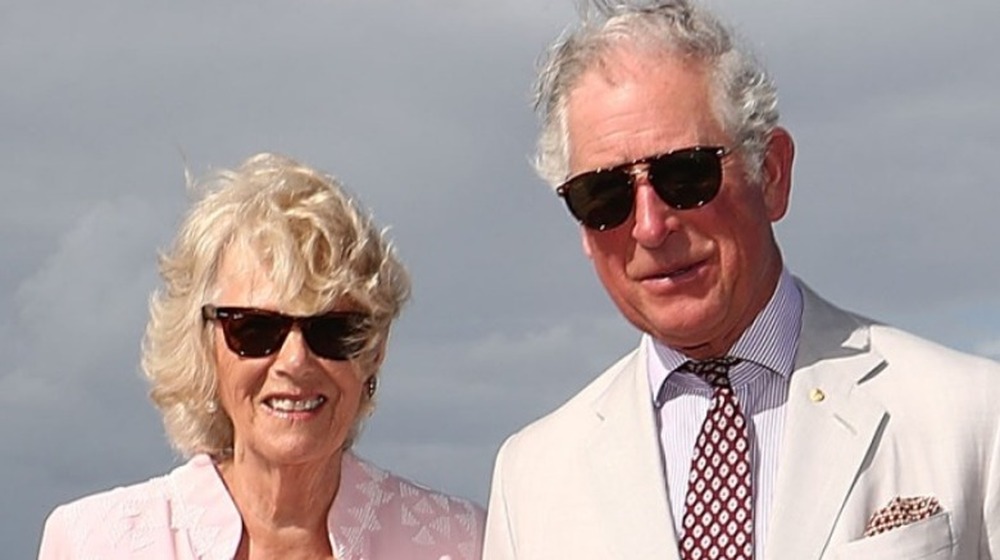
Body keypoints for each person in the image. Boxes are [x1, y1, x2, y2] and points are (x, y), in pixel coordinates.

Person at [482, 2, 1000, 559]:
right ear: (583, 229)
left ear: (772, 174)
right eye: (603, 196)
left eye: (686, 174)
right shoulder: (531, 480)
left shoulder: (972, 417)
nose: (651, 227)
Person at [39, 153, 485, 559]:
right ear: (203, 345)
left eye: (332, 330)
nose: (295, 361)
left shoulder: (463, 543)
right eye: (255, 329)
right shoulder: (91, 542)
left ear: (374, 351)